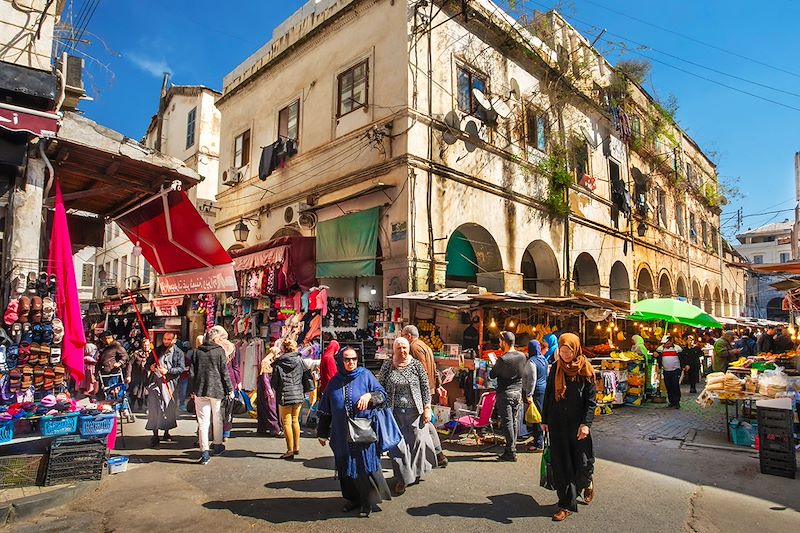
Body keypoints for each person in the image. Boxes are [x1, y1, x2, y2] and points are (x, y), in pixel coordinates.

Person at [317, 347, 392, 518]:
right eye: (347, 359)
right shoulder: (334, 381)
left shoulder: (365, 375)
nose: (351, 362)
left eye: (354, 359)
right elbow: (326, 409)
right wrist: (322, 432)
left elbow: (382, 395)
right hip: (341, 434)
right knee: (345, 470)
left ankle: (366, 503)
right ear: (340, 361)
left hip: (363, 434)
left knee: (363, 469)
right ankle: (352, 499)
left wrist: (369, 396)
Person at [541, 333, 596, 522]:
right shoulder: (556, 368)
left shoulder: (585, 370)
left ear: (576, 349)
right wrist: (544, 420)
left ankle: (587, 481)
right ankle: (565, 504)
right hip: (557, 424)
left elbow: (591, 401)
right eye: (562, 351)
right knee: (561, 465)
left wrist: (586, 424)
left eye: (568, 351)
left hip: (578, 426)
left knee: (581, 464)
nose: (565, 355)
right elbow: (548, 394)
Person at [377, 337, 436, 495]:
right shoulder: (388, 366)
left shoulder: (416, 365)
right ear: (394, 350)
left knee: (415, 443)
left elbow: (425, 387)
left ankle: (415, 472)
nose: (402, 351)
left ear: (408, 348)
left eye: (404, 348)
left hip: (414, 411)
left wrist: (427, 408)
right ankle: (402, 479)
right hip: (393, 412)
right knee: (397, 446)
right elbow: (379, 385)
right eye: (399, 348)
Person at [402, 325, 448, 467]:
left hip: (421, 392)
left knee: (422, 424)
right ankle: (438, 455)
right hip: (429, 388)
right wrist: (438, 385)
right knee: (426, 422)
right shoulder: (425, 346)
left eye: (403, 335)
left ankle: (433, 456)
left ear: (409, 336)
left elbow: (421, 370)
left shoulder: (414, 347)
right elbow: (433, 368)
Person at [191, 325, 235, 465]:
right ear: (215, 338)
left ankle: (204, 452)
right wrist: (230, 389)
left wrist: (193, 390)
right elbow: (224, 372)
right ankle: (217, 445)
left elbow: (192, 373)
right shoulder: (219, 351)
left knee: (203, 422)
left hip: (200, 390)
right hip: (216, 390)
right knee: (217, 419)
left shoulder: (197, 352)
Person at [489, 331, 528, 461]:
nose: (499, 344)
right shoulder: (522, 356)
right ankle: (512, 448)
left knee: (507, 422)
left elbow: (492, 375)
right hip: (517, 393)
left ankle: (511, 452)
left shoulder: (503, 359)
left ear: (504, 342)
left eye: (500, 341)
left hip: (505, 393)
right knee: (514, 421)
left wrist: (495, 364)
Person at [145, 331, 185, 447]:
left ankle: (167, 431)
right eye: (164, 339)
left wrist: (168, 371)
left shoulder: (179, 353)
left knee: (168, 408)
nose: (165, 342)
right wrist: (151, 366)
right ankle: (155, 434)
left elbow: (181, 369)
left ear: (174, 340)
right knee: (154, 408)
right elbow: (147, 364)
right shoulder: (156, 350)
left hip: (170, 384)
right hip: (155, 383)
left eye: (168, 339)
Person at [271, 338, 306, 460]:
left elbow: (274, 382)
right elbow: (306, 376)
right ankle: (296, 447)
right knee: (295, 421)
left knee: (286, 422)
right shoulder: (300, 360)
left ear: (283, 349)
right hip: (298, 393)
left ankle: (290, 450)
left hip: (285, 394)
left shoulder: (279, 363)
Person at [524, 339, 548, 452]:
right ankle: (540, 440)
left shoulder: (531, 361)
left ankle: (538, 444)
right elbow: (546, 375)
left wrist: (529, 394)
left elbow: (532, 379)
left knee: (536, 417)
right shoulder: (543, 359)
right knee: (541, 416)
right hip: (544, 390)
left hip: (536, 391)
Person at [256, 347, 281, 436]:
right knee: (271, 408)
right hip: (267, 388)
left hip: (267, 387)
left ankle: (262, 428)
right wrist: (269, 390)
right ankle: (275, 429)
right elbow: (265, 378)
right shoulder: (266, 362)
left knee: (264, 408)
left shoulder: (271, 361)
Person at [656, 336, 683, 409]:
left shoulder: (677, 348)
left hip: (675, 370)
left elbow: (682, 358)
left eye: (667, 343)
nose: (665, 344)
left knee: (675, 385)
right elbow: (657, 357)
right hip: (666, 370)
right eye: (664, 343)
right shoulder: (660, 349)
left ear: (671, 341)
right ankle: (671, 401)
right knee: (668, 386)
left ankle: (677, 402)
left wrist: (682, 368)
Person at [176, 340, 194, 411]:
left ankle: (182, 404)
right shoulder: (176, 358)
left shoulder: (186, 359)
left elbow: (190, 367)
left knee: (182, 392)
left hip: (184, 377)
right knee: (177, 392)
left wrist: (187, 369)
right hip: (177, 377)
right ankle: (176, 405)